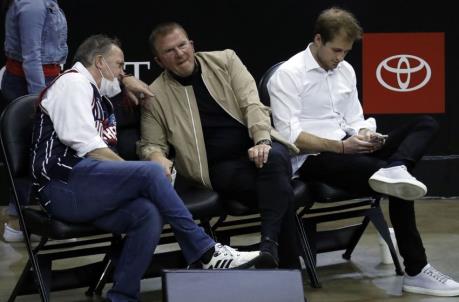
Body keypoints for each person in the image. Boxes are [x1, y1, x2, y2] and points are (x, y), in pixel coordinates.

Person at [31, 34, 261, 302]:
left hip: (87, 190)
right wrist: (136, 175)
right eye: (119, 66)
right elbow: (89, 148)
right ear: (99, 62)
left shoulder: (96, 92)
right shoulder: (72, 83)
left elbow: (100, 148)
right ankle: (206, 251)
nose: (121, 73)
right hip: (61, 187)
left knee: (147, 214)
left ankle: (122, 296)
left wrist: (125, 79)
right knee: (150, 172)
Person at [267, 6, 459, 297]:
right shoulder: (288, 75)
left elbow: (354, 119)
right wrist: (342, 146)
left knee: (425, 123)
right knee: (398, 187)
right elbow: (289, 136)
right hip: (314, 158)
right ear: (317, 40)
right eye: (336, 50)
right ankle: (417, 271)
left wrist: (366, 135)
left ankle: (397, 166)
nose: (340, 58)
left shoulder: (345, 70)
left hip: (351, 148)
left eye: (345, 52)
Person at [137, 22, 302, 268]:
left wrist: (261, 140)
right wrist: (156, 157)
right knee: (281, 193)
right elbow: (151, 144)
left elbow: (252, 104)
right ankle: (284, 268)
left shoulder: (225, 61)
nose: (180, 53)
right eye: (170, 51)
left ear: (191, 45)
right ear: (159, 61)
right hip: (218, 167)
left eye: (182, 45)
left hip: (257, 148)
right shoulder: (155, 95)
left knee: (276, 158)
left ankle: (269, 249)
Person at [1, 0, 151, 242]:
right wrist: (40, 98)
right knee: (36, 149)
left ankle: (62, 206)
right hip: (32, 82)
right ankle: (17, 220)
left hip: (50, 76)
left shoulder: (50, 4)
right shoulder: (34, 5)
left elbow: (92, 60)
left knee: (56, 145)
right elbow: (31, 57)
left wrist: (124, 77)